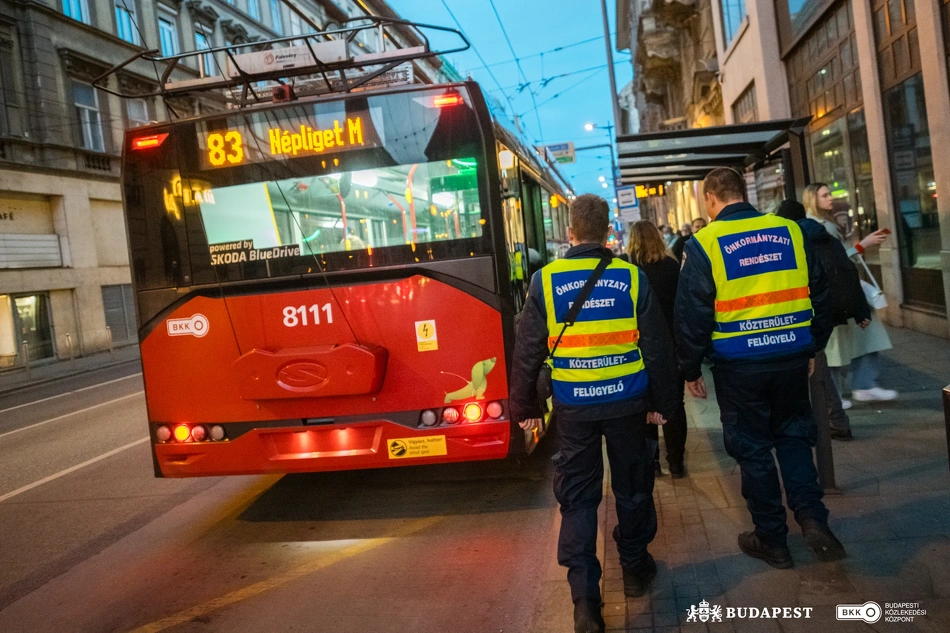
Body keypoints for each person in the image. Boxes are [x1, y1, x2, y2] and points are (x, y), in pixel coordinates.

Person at [509, 193, 680, 633]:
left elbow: (527, 350)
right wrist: (663, 403)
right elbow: (656, 346)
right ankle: (635, 568)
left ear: (570, 232)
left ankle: (585, 601)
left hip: (574, 410)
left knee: (579, 498)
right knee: (633, 486)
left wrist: (525, 406)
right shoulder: (632, 277)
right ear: (607, 233)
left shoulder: (544, 280)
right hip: (628, 403)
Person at [675, 168, 845, 569]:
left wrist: (690, 368)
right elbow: (821, 293)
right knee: (794, 438)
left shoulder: (705, 243)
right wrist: (812, 346)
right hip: (790, 357)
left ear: (710, 198)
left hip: (739, 366)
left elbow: (692, 314)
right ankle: (813, 519)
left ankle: (772, 539)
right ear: (743, 192)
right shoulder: (789, 231)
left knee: (752, 449)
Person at [777, 199, 871, 441]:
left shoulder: (792, 239)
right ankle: (834, 420)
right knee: (817, 362)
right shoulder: (826, 236)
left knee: (813, 364)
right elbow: (848, 271)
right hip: (832, 307)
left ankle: (832, 421)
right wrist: (861, 310)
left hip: (811, 309)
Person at [803, 183, 896, 405]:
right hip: (836, 294)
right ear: (812, 199)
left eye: (830, 194)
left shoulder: (822, 223)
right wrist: (863, 245)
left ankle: (858, 387)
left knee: (855, 338)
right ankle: (844, 393)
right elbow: (836, 258)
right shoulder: (818, 226)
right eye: (824, 195)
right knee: (838, 344)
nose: (830, 198)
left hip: (839, 292)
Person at [627, 221, 688, 477]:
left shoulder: (628, 270)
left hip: (639, 345)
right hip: (671, 345)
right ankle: (676, 462)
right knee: (674, 402)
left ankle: (651, 461)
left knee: (643, 404)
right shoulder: (672, 267)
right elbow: (683, 306)